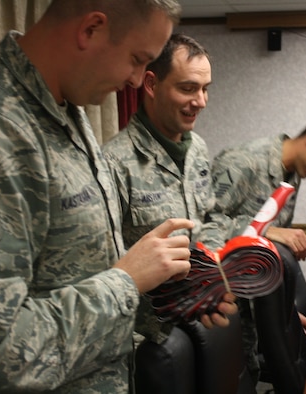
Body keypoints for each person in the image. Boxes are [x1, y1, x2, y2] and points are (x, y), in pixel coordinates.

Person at [0, 1, 235, 392]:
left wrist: (177, 299)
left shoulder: (66, 113)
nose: (139, 81)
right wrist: (125, 281)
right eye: (137, 60)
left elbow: (76, 276)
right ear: (92, 30)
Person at [210, 112, 306, 381]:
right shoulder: (243, 162)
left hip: (252, 315)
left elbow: (268, 254)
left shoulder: (292, 175)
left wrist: (285, 313)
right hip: (219, 314)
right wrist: (267, 230)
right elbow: (201, 225)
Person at [103, 33, 231, 339]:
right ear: (151, 84)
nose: (200, 101)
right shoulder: (114, 163)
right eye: (188, 88)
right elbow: (107, 270)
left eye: (204, 89)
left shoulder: (197, 148)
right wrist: (181, 302)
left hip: (200, 323)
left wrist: (211, 274)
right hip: (145, 340)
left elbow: (212, 217)